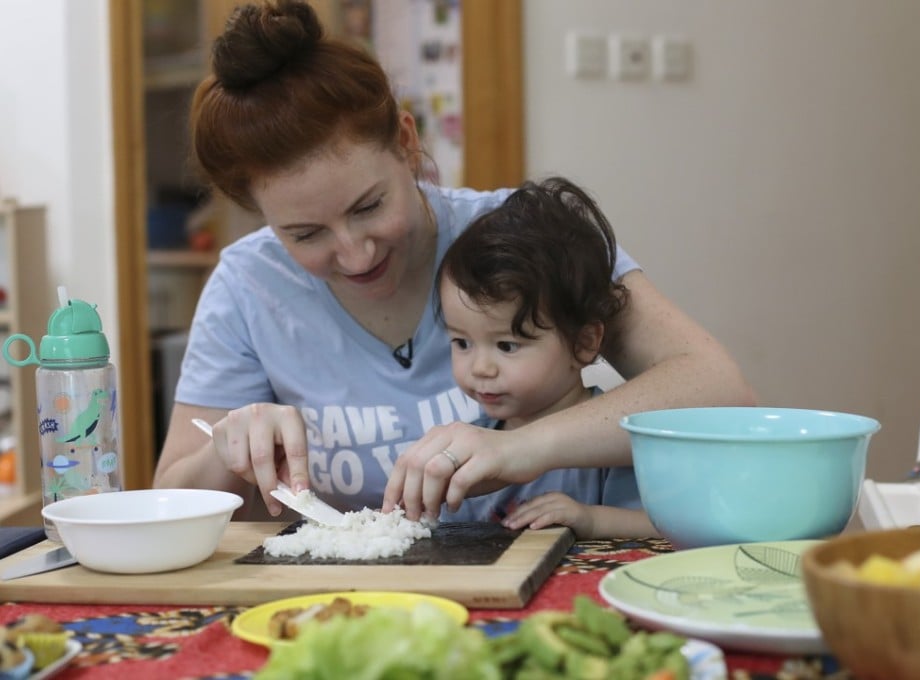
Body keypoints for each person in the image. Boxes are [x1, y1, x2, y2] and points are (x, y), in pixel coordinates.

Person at [152, 0, 755, 522]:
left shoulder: (525, 234)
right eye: (305, 234)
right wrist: (225, 450)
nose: (355, 253)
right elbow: (169, 502)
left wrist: (520, 449)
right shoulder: (246, 285)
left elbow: (720, 392)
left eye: (369, 206)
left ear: (408, 145)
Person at [436, 176, 659, 539]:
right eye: (461, 343)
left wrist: (590, 519)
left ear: (584, 342)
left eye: (507, 346)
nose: (480, 368)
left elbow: (665, 526)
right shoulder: (475, 444)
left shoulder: (614, 442)